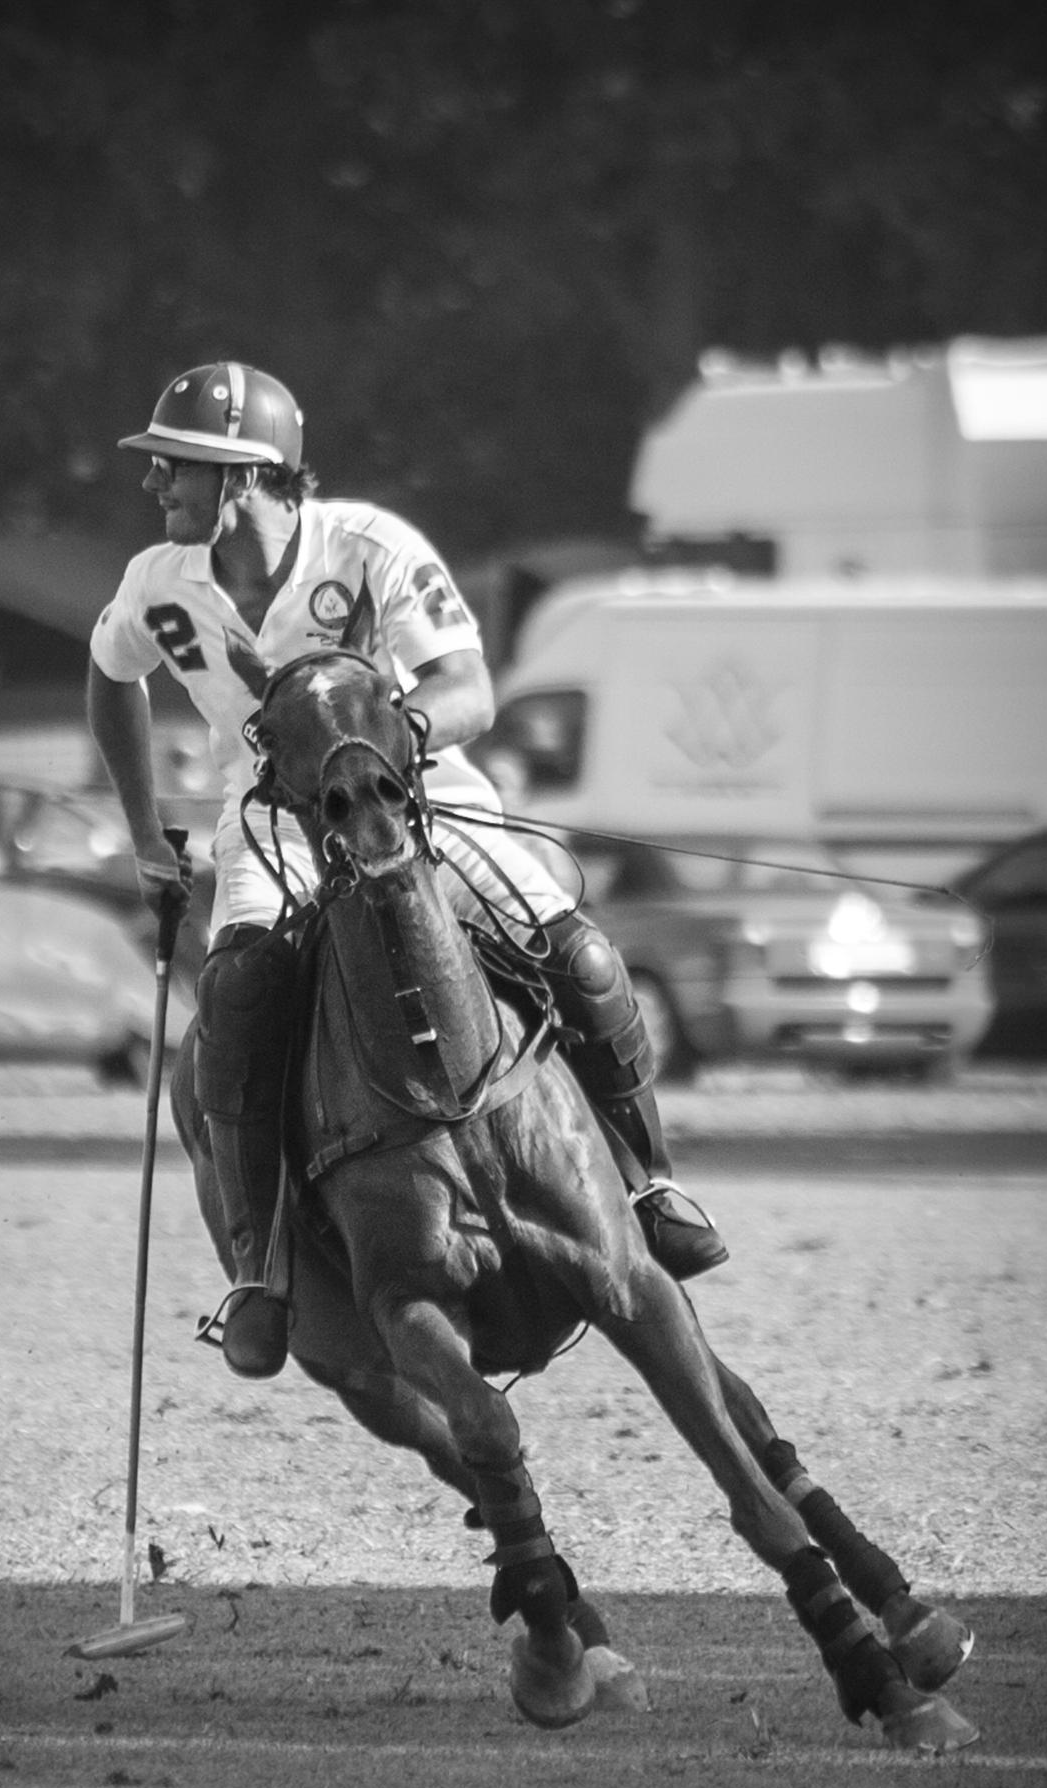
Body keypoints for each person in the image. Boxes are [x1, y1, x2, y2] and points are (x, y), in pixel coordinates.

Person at [87, 360, 726, 1379]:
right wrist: (140, 832)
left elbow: (468, 683)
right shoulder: (156, 585)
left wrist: (384, 745)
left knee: (583, 955)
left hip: (413, 800)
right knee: (237, 999)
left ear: (245, 474)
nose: (155, 484)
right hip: (271, 826)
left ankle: (649, 1185)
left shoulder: (369, 547)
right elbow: (107, 674)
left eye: (175, 467)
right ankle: (259, 1268)